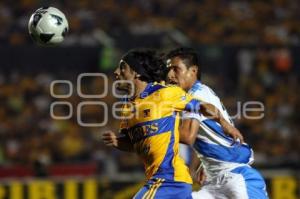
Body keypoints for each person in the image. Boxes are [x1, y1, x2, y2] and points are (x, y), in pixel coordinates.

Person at [102, 48, 241, 199]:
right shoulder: (127, 107)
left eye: (122, 68)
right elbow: (136, 144)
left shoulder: (164, 93)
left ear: (137, 72)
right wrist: (118, 142)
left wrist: (225, 124)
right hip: (160, 180)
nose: (116, 72)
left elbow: (204, 107)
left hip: (170, 179)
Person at [166, 47, 269, 199]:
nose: (170, 75)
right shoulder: (196, 93)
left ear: (193, 71)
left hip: (236, 175)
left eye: (176, 69)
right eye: (168, 69)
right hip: (213, 181)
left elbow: (187, 136)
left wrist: (151, 130)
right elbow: (212, 129)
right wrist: (206, 161)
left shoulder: (195, 95)